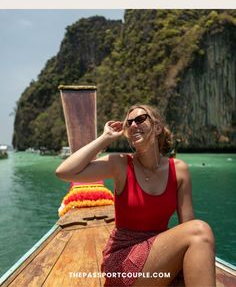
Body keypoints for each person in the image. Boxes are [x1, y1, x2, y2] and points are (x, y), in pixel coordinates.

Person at [56, 104, 216, 287]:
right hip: (124, 258)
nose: (133, 125)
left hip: (157, 257)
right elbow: (64, 172)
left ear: (157, 128)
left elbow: (187, 226)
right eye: (128, 123)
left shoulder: (179, 170)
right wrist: (105, 138)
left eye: (140, 119)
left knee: (198, 238)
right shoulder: (120, 164)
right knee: (200, 230)